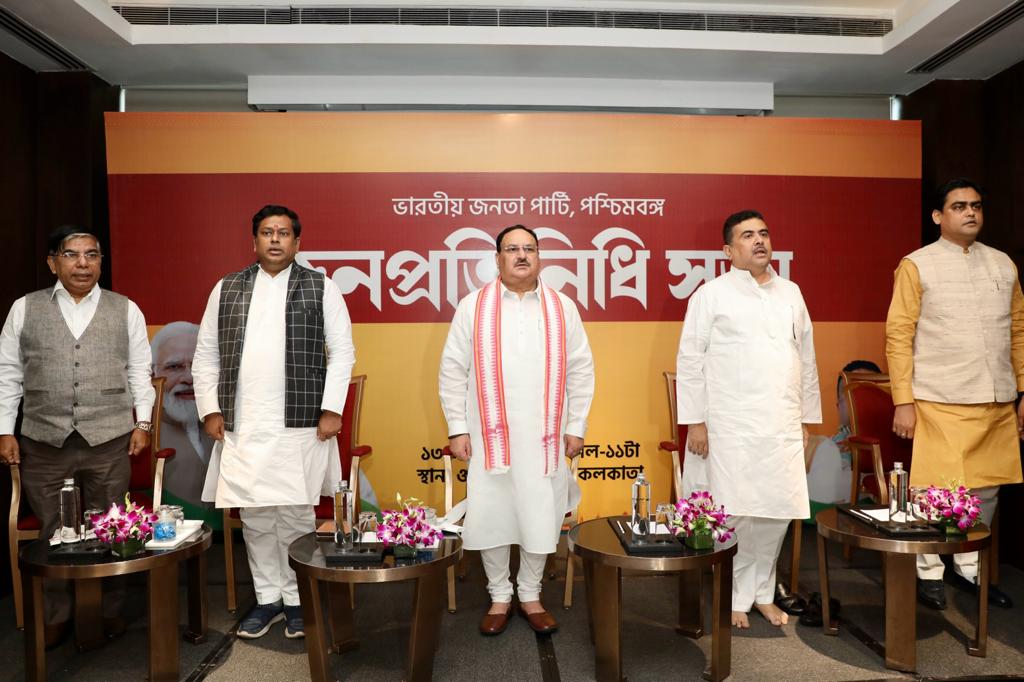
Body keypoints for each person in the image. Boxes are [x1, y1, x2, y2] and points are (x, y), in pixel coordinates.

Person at [193, 205, 356, 639]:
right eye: (267, 232)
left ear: (298, 243)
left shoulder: (321, 287)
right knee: (257, 517)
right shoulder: (227, 288)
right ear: (254, 241)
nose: (276, 240)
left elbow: (342, 353)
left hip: (301, 423)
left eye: (284, 233)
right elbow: (206, 353)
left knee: (296, 515)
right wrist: (210, 409)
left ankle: (298, 600)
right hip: (243, 424)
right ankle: (267, 600)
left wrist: (332, 409)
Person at [0, 225, 155, 644]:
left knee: (112, 526)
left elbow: (141, 371)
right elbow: (9, 375)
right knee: (54, 529)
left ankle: (109, 611)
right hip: (42, 440)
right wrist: (4, 431)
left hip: (109, 439)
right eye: (72, 255)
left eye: (92, 255)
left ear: (102, 262)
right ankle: (56, 614)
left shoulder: (126, 309)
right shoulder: (24, 309)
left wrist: (143, 423)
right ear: (53, 262)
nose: (83, 263)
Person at [439, 224, 594, 636]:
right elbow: (452, 370)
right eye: (512, 249)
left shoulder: (563, 308)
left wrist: (575, 426)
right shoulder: (474, 307)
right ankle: (498, 595)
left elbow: (581, 370)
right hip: (490, 437)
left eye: (529, 248)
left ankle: (529, 593)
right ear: (497, 258)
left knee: (539, 514)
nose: (522, 255)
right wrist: (457, 428)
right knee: (491, 514)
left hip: (544, 439)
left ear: (540, 256)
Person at [677, 209, 821, 629]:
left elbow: (806, 360)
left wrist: (807, 417)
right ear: (728, 250)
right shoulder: (710, 295)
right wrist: (696, 422)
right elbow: (690, 361)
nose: (758, 241)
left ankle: (762, 592)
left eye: (763, 233)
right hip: (730, 424)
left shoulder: (791, 293)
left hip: (781, 423)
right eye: (747, 236)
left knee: (776, 512)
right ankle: (734, 597)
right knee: (736, 512)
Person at [886, 178, 1023, 610]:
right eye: (959, 206)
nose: (970, 213)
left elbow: (1019, 331)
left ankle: (969, 570)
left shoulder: (1003, 264)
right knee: (934, 490)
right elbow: (899, 333)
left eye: (976, 206)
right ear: (938, 216)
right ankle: (928, 574)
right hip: (938, 396)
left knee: (985, 491)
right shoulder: (917, 264)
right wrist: (903, 400)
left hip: (996, 396)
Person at [805, 359, 883, 515]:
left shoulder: (897, 449)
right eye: (851, 395)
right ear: (838, 406)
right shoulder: (826, 449)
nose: (861, 401)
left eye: (870, 394)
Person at [151, 322, 214, 512]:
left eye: (197, 367)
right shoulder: (143, 430)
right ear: (153, 373)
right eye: (175, 367)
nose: (189, 378)